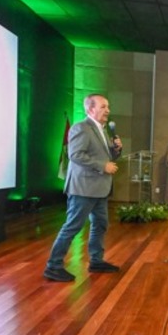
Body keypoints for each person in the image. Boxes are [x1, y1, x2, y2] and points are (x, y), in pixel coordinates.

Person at [44, 94, 122, 282]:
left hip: (99, 188)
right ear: (90, 109)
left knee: (100, 224)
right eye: (103, 106)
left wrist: (116, 150)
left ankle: (96, 260)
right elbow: (76, 155)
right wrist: (103, 166)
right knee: (73, 227)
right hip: (83, 188)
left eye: (108, 106)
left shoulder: (103, 130)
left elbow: (106, 157)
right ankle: (53, 266)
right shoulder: (81, 128)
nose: (108, 110)